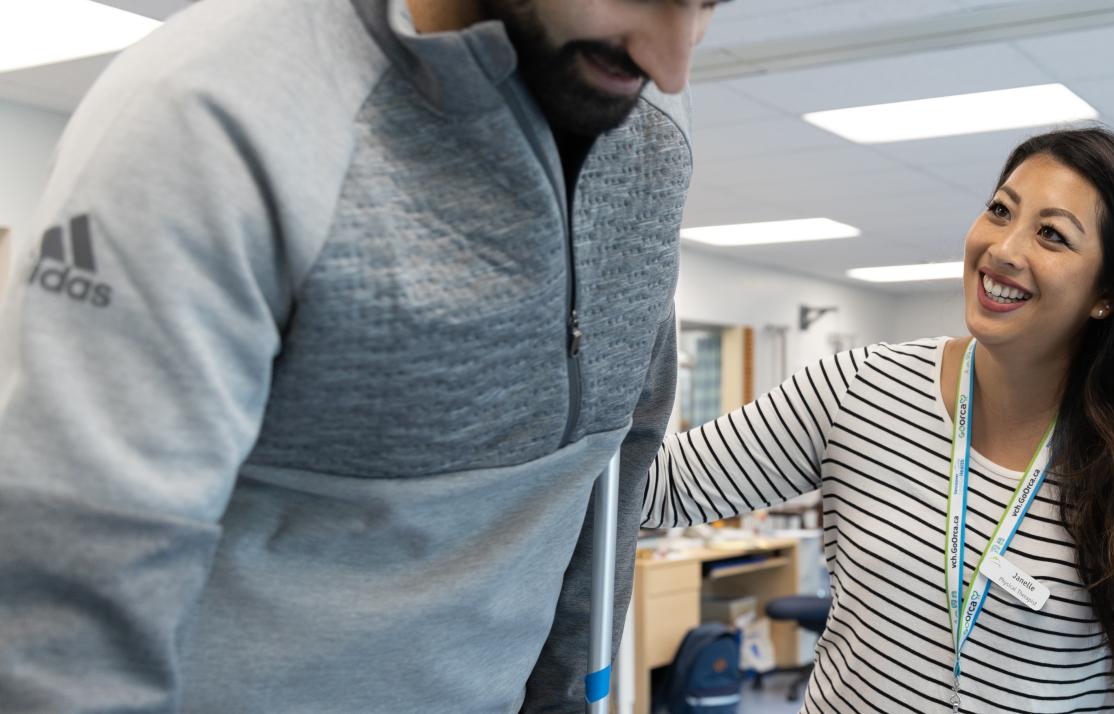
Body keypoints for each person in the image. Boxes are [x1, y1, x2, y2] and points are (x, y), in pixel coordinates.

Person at [0, 0, 726, 711]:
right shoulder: (212, 110)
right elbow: (73, 580)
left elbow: (612, 456)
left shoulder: (644, 119)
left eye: (708, 4)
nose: (672, 63)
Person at [637, 127, 1114, 712]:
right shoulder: (860, 388)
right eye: (1000, 210)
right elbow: (654, 490)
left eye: (1051, 234)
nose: (1004, 249)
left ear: (1110, 293)